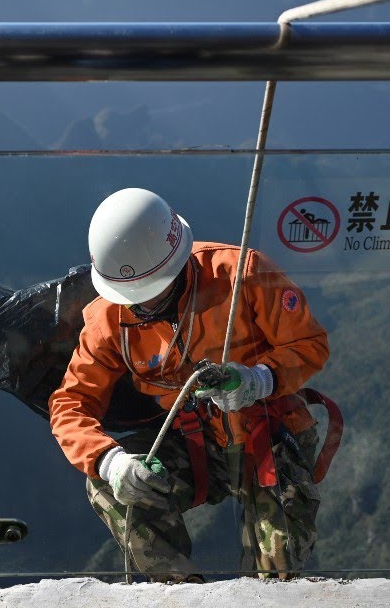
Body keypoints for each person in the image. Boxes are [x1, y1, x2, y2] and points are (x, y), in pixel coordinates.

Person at [48, 187, 332, 581]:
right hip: (189, 442)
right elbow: (71, 403)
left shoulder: (241, 275)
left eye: (150, 294)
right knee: (107, 486)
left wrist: (259, 378)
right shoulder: (108, 318)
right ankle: (181, 596)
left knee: (278, 572)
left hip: (267, 435)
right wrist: (109, 461)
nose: (141, 307)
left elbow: (310, 344)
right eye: (131, 298)